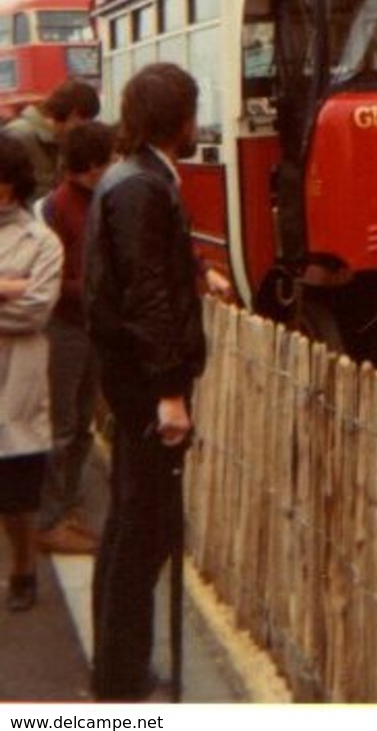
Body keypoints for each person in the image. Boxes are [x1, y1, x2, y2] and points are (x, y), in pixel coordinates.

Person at [84, 64, 208, 702]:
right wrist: (169, 390)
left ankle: (116, 673)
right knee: (144, 534)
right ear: (179, 119)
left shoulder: (131, 177)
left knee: (131, 526)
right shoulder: (142, 186)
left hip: (132, 376)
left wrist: (195, 273)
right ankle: (122, 687)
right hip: (143, 383)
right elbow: (146, 293)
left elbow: (153, 269)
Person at [36, 120, 117, 555]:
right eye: (108, 160)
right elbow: (51, 279)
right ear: (88, 166)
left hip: (91, 327)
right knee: (62, 427)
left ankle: (66, 507)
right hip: (65, 328)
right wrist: (94, 289)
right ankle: (49, 521)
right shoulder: (56, 207)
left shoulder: (100, 199)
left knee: (82, 423)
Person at [0, 134, 64, 612]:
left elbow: (36, 311)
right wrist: (6, 288)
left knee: (18, 493)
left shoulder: (42, 241)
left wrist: (19, 295)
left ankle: (24, 567)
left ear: (12, 185)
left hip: (16, 376)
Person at [3, 79, 101, 201]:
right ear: (74, 114)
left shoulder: (60, 141)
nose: (85, 129)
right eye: (84, 121)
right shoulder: (18, 135)